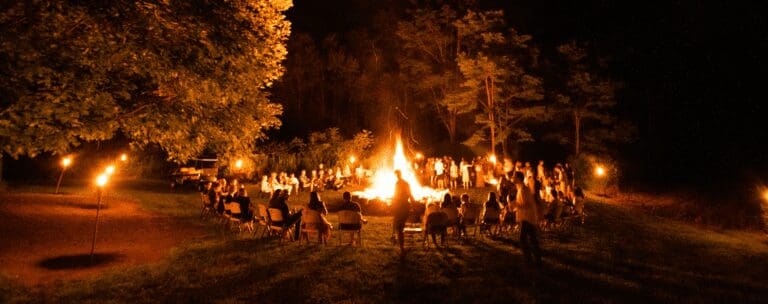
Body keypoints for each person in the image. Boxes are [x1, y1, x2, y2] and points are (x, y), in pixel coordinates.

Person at [515, 175, 542, 267]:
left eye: (515, 177)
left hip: (527, 218)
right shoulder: (521, 188)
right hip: (527, 217)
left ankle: (528, 259)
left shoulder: (523, 190)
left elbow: (527, 204)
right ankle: (536, 259)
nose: (513, 178)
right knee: (533, 239)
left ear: (519, 179)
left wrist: (515, 205)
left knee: (522, 239)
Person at [392, 169, 415, 255]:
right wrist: (414, 204)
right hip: (404, 206)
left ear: (398, 175)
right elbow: (410, 195)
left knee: (399, 227)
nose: (396, 176)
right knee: (400, 226)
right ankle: (401, 245)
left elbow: (397, 195)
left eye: (397, 175)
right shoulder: (405, 183)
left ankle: (402, 248)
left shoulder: (399, 184)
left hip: (401, 206)